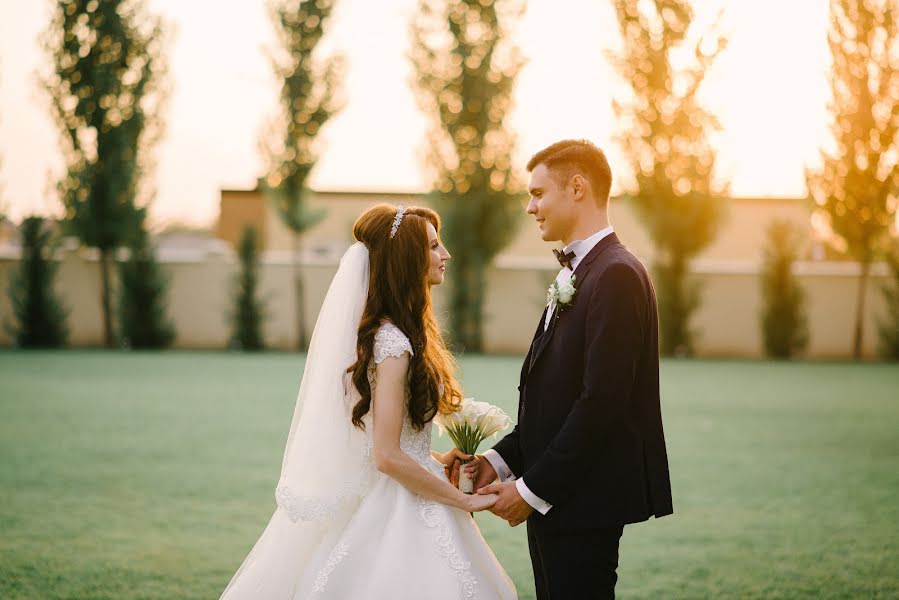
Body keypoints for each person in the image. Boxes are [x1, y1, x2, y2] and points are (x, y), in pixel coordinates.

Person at [220, 204, 516, 599]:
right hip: (395, 505)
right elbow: (387, 455)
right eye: (433, 246)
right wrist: (462, 499)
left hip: (407, 487)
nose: (445, 255)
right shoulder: (392, 343)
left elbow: (400, 441)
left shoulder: (398, 335)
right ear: (406, 259)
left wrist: (438, 460)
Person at [468, 139, 674, 599]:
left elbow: (602, 402)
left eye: (538, 193)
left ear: (577, 188)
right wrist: (498, 462)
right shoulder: (581, 272)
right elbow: (554, 399)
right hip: (560, 496)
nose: (530, 207)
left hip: (584, 499)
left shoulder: (616, 274)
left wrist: (530, 489)